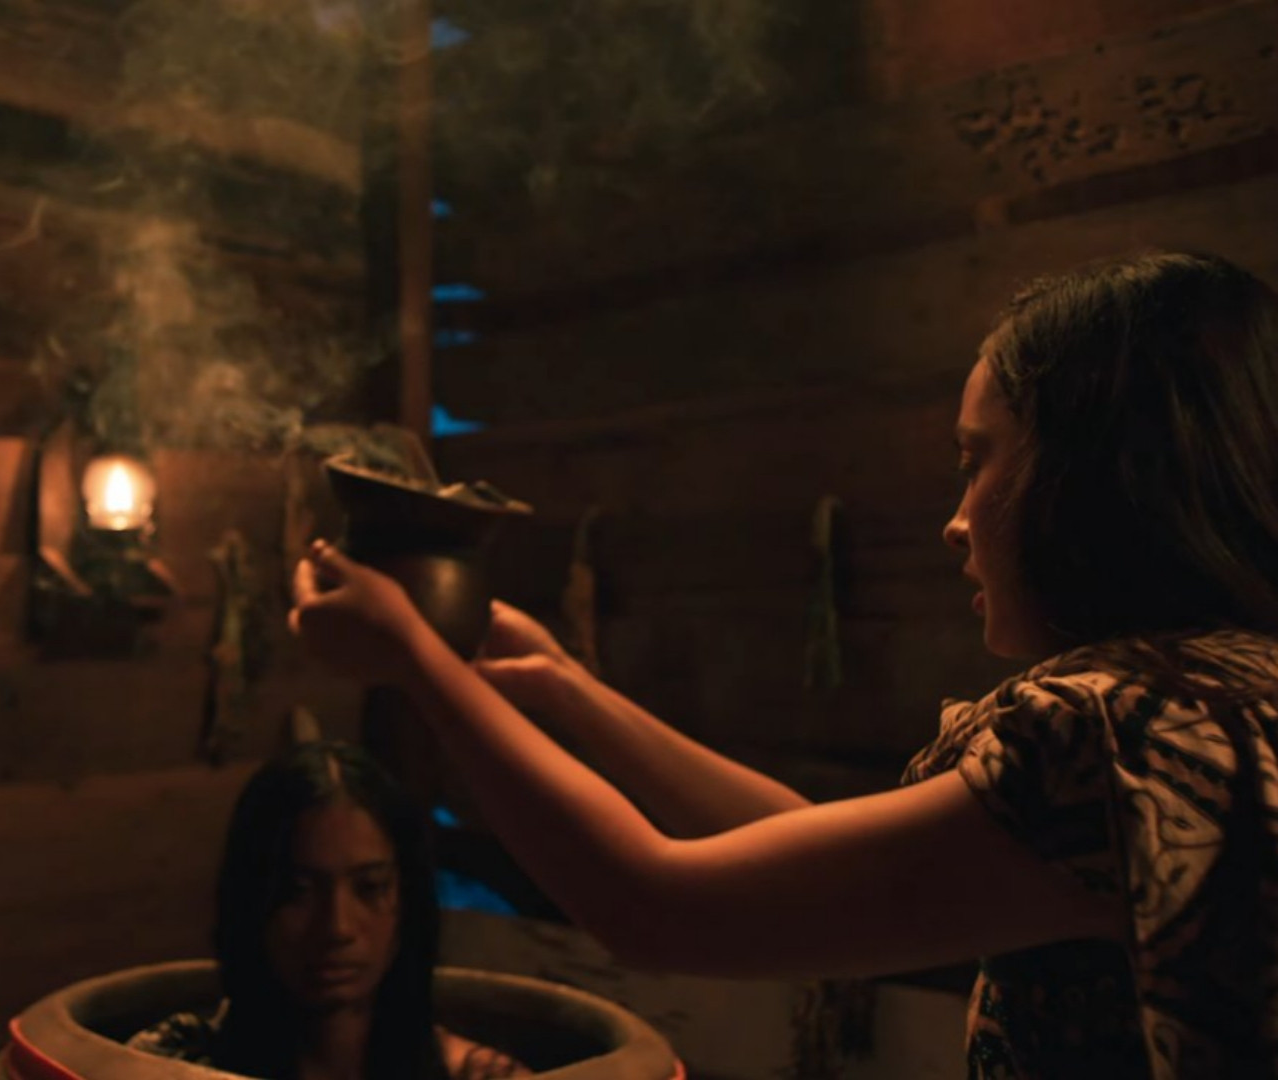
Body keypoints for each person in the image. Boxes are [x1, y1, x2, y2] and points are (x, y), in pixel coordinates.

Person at [288, 251, 1278, 1078]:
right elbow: (806, 847)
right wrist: (565, 690)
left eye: (977, 460)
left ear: (1090, 478)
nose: (956, 520)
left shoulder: (1104, 740)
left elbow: (654, 905)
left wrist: (418, 663)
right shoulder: (1221, 704)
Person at [130, 740, 527, 1080]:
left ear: (408, 898)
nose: (337, 927)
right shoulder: (170, 1064)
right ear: (252, 899)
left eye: (370, 888)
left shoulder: (474, 1075)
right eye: (298, 891)